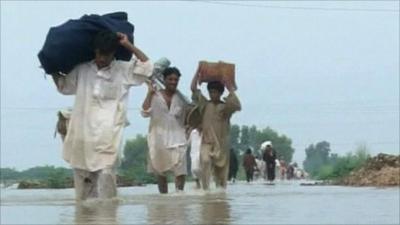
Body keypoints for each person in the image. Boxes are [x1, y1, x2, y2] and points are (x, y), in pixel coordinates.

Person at [51, 30, 153, 200]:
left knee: (106, 175)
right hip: (82, 134)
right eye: (99, 53)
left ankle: (108, 215)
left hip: (109, 134)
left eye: (106, 54)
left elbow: (148, 67)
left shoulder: (123, 70)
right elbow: (64, 87)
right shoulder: (82, 70)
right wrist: (53, 68)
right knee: (83, 184)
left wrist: (128, 45)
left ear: (113, 53)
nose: (102, 58)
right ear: (95, 51)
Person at [190, 71, 241, 190]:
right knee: (206, 161)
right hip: (206, 142)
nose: (213, 95)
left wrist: (230, 88)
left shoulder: (225, 108)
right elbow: (193, 89)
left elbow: (237, 105)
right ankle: (205, 191)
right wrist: (198, 72)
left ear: (221, 93)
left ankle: (220, 200)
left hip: (222, 144)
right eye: (211, 92)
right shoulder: (204, 104)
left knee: (221, 176)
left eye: (216, 92)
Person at [142, 67, 189, 194]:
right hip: (158, 138)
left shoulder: (182, 99)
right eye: (170, 79)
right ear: (164, 80)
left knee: (180, 170)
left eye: (176, 80)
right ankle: (163, 199)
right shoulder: (155, 95)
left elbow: (188, 119)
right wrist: (149, 93)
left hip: (178, 138)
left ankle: (179, 195)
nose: (173, 82)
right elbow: (145, 112)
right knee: (160, 171)